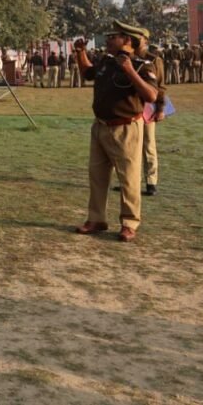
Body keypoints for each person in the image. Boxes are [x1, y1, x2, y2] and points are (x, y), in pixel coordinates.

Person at [72, 20, 158, 242]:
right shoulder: (106, 61)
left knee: (129, 178)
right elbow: (88, 73)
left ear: (127, 40)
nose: (109, 39)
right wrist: (80, 53)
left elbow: (151, 95)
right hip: (100, 126)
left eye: (114, 36)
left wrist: (129, 70)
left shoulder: (142, 65)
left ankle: (129, 223)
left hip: (126, 128)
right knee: (97, 176)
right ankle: (96, 219)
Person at [139, 35, 167, 197]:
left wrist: (161, 108)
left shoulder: (154, 60)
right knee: (130, 147)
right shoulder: (125, 58)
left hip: (148, 107)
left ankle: (151, 182)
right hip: (129, 107)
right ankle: (130, 182)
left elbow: (161, 86)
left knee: (148, 145)